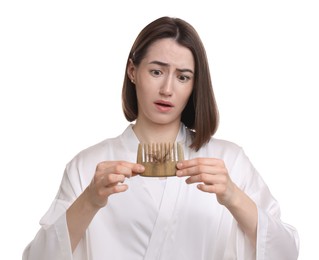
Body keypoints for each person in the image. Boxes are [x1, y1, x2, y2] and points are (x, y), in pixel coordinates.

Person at [22, 16, 299, 260]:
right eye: (156, 72)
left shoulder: (229, 161)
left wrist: (232, 196)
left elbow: (285, 252)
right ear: (133, 72)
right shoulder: (88, 166)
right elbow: (38, 258)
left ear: (194, 85)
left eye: (183, 77)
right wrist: (90, 200)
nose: (167, 88)